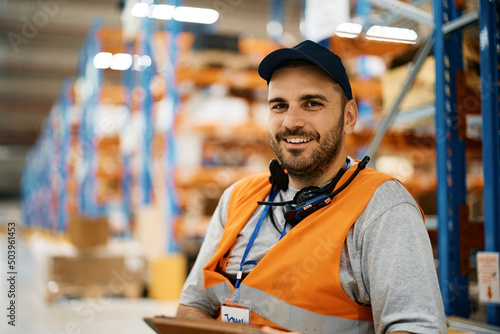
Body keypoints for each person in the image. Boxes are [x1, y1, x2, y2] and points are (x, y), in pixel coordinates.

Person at [176, 40, 447, 334]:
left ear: (349, 117)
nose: (291, 122)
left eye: (312, 104)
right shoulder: (237, 199)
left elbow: (416, 329)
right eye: (279, 106)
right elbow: (192, 307)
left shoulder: (381, 207)